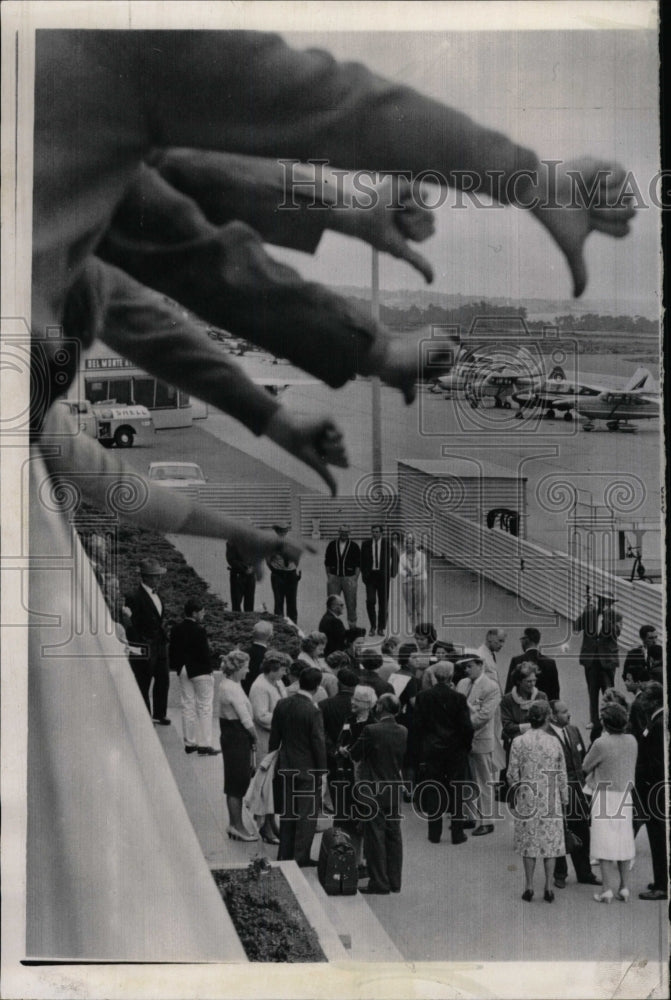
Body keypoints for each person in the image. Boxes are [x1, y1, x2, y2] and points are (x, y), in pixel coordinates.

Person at [507, 700, 568, 903]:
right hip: (550, 797)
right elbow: (561, 773)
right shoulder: (554, 742)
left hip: (528, 796)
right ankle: (549, 886)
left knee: (529, 842)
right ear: (548, 717)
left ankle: (529, 885)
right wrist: (564, 796)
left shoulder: (519, 741)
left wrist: (518, 790)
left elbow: (511, 774)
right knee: (550, 843)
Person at [269, 666, 327, 867]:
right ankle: (300, 856)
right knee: (306, 815)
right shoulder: (313, 711)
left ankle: (284, 853)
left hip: (286, 765)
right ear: (317, 687)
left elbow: (274, 738)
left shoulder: (282, 704)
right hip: (308, 769)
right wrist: (322, 772)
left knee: (288, 813)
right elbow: (318, 743)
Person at [350, 694, 407, 895]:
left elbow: (355, 753)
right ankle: (394, 881)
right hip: (393, 786)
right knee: (394, 834)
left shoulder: (371, 730)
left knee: (375, 835)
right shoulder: (403, 731)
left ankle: (379, 882)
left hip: (373, 788)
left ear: (381, 707)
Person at [413, 661, 474, 845]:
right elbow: (466, 727)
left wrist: (420, 750)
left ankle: (434, 833)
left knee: (434, 790)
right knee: (456, 790)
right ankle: (457, 832)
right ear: (450, 676)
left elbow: (417, 727)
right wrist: (466, 746)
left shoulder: (423, 697)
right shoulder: (458, 698)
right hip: (455, 750)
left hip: (431, 749)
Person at [582, 702, 637, 903]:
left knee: (603, 840)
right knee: (624, 838)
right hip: (624, 794)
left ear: (606, 723)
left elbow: (586, 765)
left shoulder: (601, 743)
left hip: (604, 794)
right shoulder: (632, 740)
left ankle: (606, 889)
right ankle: (624, 887)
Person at [548, 700, 601, 888]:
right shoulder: (546, 736)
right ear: (552, 715)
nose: (568, 714)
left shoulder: (573, 730)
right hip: (557, 791)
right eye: (564, 712)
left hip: (577, 790)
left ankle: (585, 872)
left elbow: (584, 757)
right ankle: (560, 874)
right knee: (559, 831)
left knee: (582, 830)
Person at [330, 684, 378, 873]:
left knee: (362, 821)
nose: (352, 702)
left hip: (363, 778)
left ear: (367, 704)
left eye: (357, 700)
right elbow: (340, 739)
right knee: (346, 819)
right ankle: (349, 858)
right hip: (346, 776)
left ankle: (363, 860)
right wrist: (340, 748)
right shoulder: (348, 719)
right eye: (353, 699)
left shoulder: (373, 724)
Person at [456, 650, 502, 837]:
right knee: (467, 779)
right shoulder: (462, 683)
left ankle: (488, 820)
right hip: (462, 738)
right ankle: (469, 815)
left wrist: (462, 724)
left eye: (470, 666)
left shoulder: (491, 687)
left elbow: (484, 716)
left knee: (483, 780)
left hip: (480, 738)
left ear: (480, 665)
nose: (467, 670)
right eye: (464, 667)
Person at [248, 649, 291, 844]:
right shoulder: (259, 687)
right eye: (282, 669)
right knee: (265, 784)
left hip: (278, 739)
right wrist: (285, 719)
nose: (285, 673)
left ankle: (271, 823)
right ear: (272, 669)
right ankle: (265, 827)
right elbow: (261, 715)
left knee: (274, 785)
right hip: (266, 740)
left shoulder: (278, 682)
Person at [169, 597, 220, 756]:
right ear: (195, 613)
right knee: (205, 707)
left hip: (184, 669)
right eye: (201, 611)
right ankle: (205, 744)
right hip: (200, 671)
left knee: (188, 705)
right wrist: (209, 670)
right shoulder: (199, 630)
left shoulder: (176, 628)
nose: (203, 614)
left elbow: (173, 651)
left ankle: (189, 742)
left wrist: (179, 667)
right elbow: (204, 653)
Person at [217, 649, 258, 842]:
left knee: (238, 781)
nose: (248, 671)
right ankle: (236, 825)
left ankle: (235, 823)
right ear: (237, 668)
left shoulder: (232, 684)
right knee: (236, 782)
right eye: (246, 667)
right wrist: (255, 737)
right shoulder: (231, 688)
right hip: (236, 736)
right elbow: (246, 719)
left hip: (234, 736)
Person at [125, 558, 171, 724]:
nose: (157, 579)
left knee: (163, 679)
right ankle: (145, 714)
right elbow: (131, 625)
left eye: (158, 576)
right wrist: (139, 644)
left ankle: (160, 713)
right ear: (145, 577)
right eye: (154, 576)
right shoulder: (134, 596)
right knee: (143, 680)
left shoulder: (157, 595)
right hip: (145, 645)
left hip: (159, 645)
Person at [634, 683, 667, 900]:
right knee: (658, 837)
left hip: (654, 790)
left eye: (645, 696)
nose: (641, 700)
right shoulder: (656, 720)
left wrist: (644, 781)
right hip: (657, 789)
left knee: (658, 838)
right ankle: (661, 880)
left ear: (654, 700)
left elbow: (655, 761)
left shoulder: (657, 724)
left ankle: (662, 885)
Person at [574, 591, 622, 727]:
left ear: (611, 604)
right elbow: (576, 627)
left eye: (607, 602)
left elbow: (616, 633)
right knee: (592, 690)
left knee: (609, 691)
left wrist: (606, 617)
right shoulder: (590, 614)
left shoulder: (616, 616)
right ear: (598, 601)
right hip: (591, 658)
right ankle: (594, 720)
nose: (604, 604)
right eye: (602, 601)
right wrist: (585, 612)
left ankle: (611, 719)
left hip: (607, 659)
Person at [500, 663, 549, 765]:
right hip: (516, 746)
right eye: (528, 681)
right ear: (519, 681)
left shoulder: (541, 696)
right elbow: (507, 726)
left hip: (538, 746)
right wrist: (532, 726)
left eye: (534, 680)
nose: (532, 684)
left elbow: (547, 721)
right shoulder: (507, 700)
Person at [360, 524, 398, 636]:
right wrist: (364, 574)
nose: (375, 534)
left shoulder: (387, 544)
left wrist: (392, 572)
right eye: (373, 532)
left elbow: (396, 557)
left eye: (377, 532)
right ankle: (373, 626)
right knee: (370, 600)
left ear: (381, 533)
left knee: (383, 603)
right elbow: (361, 560)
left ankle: (381, 627)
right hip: (371, 577)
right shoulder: (365, 544)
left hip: (383, 577)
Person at [504, 628, 560, 701]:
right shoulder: (550, 663)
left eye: (521, 639)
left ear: (526, 640)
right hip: (543, 708)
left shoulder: (517, 661)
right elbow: (555, 693)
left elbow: (510, 689)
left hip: (520, 708)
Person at [324, 525, 361, 629]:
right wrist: (329, 576)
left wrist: (355, 579)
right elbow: (327, 562)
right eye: (342, 532)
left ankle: (352, 628)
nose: (344, 534)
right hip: (334, 578)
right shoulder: (332, 545)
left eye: (346, 532)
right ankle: (332, 628)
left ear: (349, 533)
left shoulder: (354, 546)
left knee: (351, 604)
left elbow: (358, 564)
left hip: (349, 578)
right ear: (338, 532)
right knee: (332, 603)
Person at [266, 521, 301, 623]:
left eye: (284, 530)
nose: (282, 532)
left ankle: (293, 627)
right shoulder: (272, 543)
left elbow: (297, 557)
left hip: (291, 574)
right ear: (276, 531)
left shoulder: (292, 542)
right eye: (280, 530)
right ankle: (280, 626)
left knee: (292, 602)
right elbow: (268, 559)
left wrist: (292, 568)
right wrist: (274, 569)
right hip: (278, 574)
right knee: (278, 602)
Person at [398, 533, 428, 629]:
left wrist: (410, 571)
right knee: (410, 609)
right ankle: (413, 627)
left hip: (419, 583)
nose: (408, 545)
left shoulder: (422, 555)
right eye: (406, 543)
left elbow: (421, 568)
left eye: (410, 543)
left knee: (419, 608)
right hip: (407, 584)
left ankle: (420, 627)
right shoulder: (402, 557)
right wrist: (407, 573)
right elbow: (400, 570)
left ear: (414, 544)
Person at [241, 620, 274, 695]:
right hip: (260, 693)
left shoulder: (243, 652)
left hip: (243, 692)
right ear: (270, 637)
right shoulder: (269, 656)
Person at [296, 632, 335, 696]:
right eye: (320, 649)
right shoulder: (303, 659)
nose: (322, 652)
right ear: (311, 647)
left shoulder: (314, 657)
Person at [226, 537, 256, 613]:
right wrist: (245, 568)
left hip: (251, 576)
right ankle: (237, 623)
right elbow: (231, 560)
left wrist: (253, 568)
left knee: (250, 604)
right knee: (236, 604)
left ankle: (248, 622)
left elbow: (257, 558)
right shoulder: (232, 542)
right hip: (238, 576)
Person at [623, 663, 652, 741]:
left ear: (638, 683)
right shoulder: (646, 698)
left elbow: (641, 730)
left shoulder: (637, 704)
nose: (625, 683)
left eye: (628, 680)